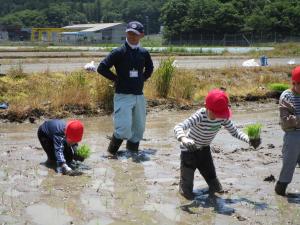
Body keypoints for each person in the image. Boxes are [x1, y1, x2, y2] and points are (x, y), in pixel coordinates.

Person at [174, 89, 260, 200]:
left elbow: (235, 132)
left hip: (204, 151)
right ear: (206, 107)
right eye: (215, 113)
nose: (218, 117)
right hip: (189, 152)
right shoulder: (200, 115)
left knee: (217, 188)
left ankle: (211, 187)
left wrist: (249, 140)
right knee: (187, 194)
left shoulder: (222, 117)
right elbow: (178, 127)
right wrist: (184, 139)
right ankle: (183, 186)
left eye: (220, 114)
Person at [97, 21, 154, 157]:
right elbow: (101, 68)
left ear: (141, 35)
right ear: (126, 33)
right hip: (123, 95)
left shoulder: (144, 53)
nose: (132, 36)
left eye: (135, 34)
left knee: (138, 130)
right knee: (123, 129)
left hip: (139, 96)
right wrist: (116, 79)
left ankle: (132, 155)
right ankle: (110, 154)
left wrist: (142, 78)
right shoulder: (118, 52)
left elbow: (150, 68)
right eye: (129, 33)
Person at [275, 66, 300, 196]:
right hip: (293, 135)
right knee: (288, 165)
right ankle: (280, 191)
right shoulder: (287, 96)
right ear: (293, 83)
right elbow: (285, 120)